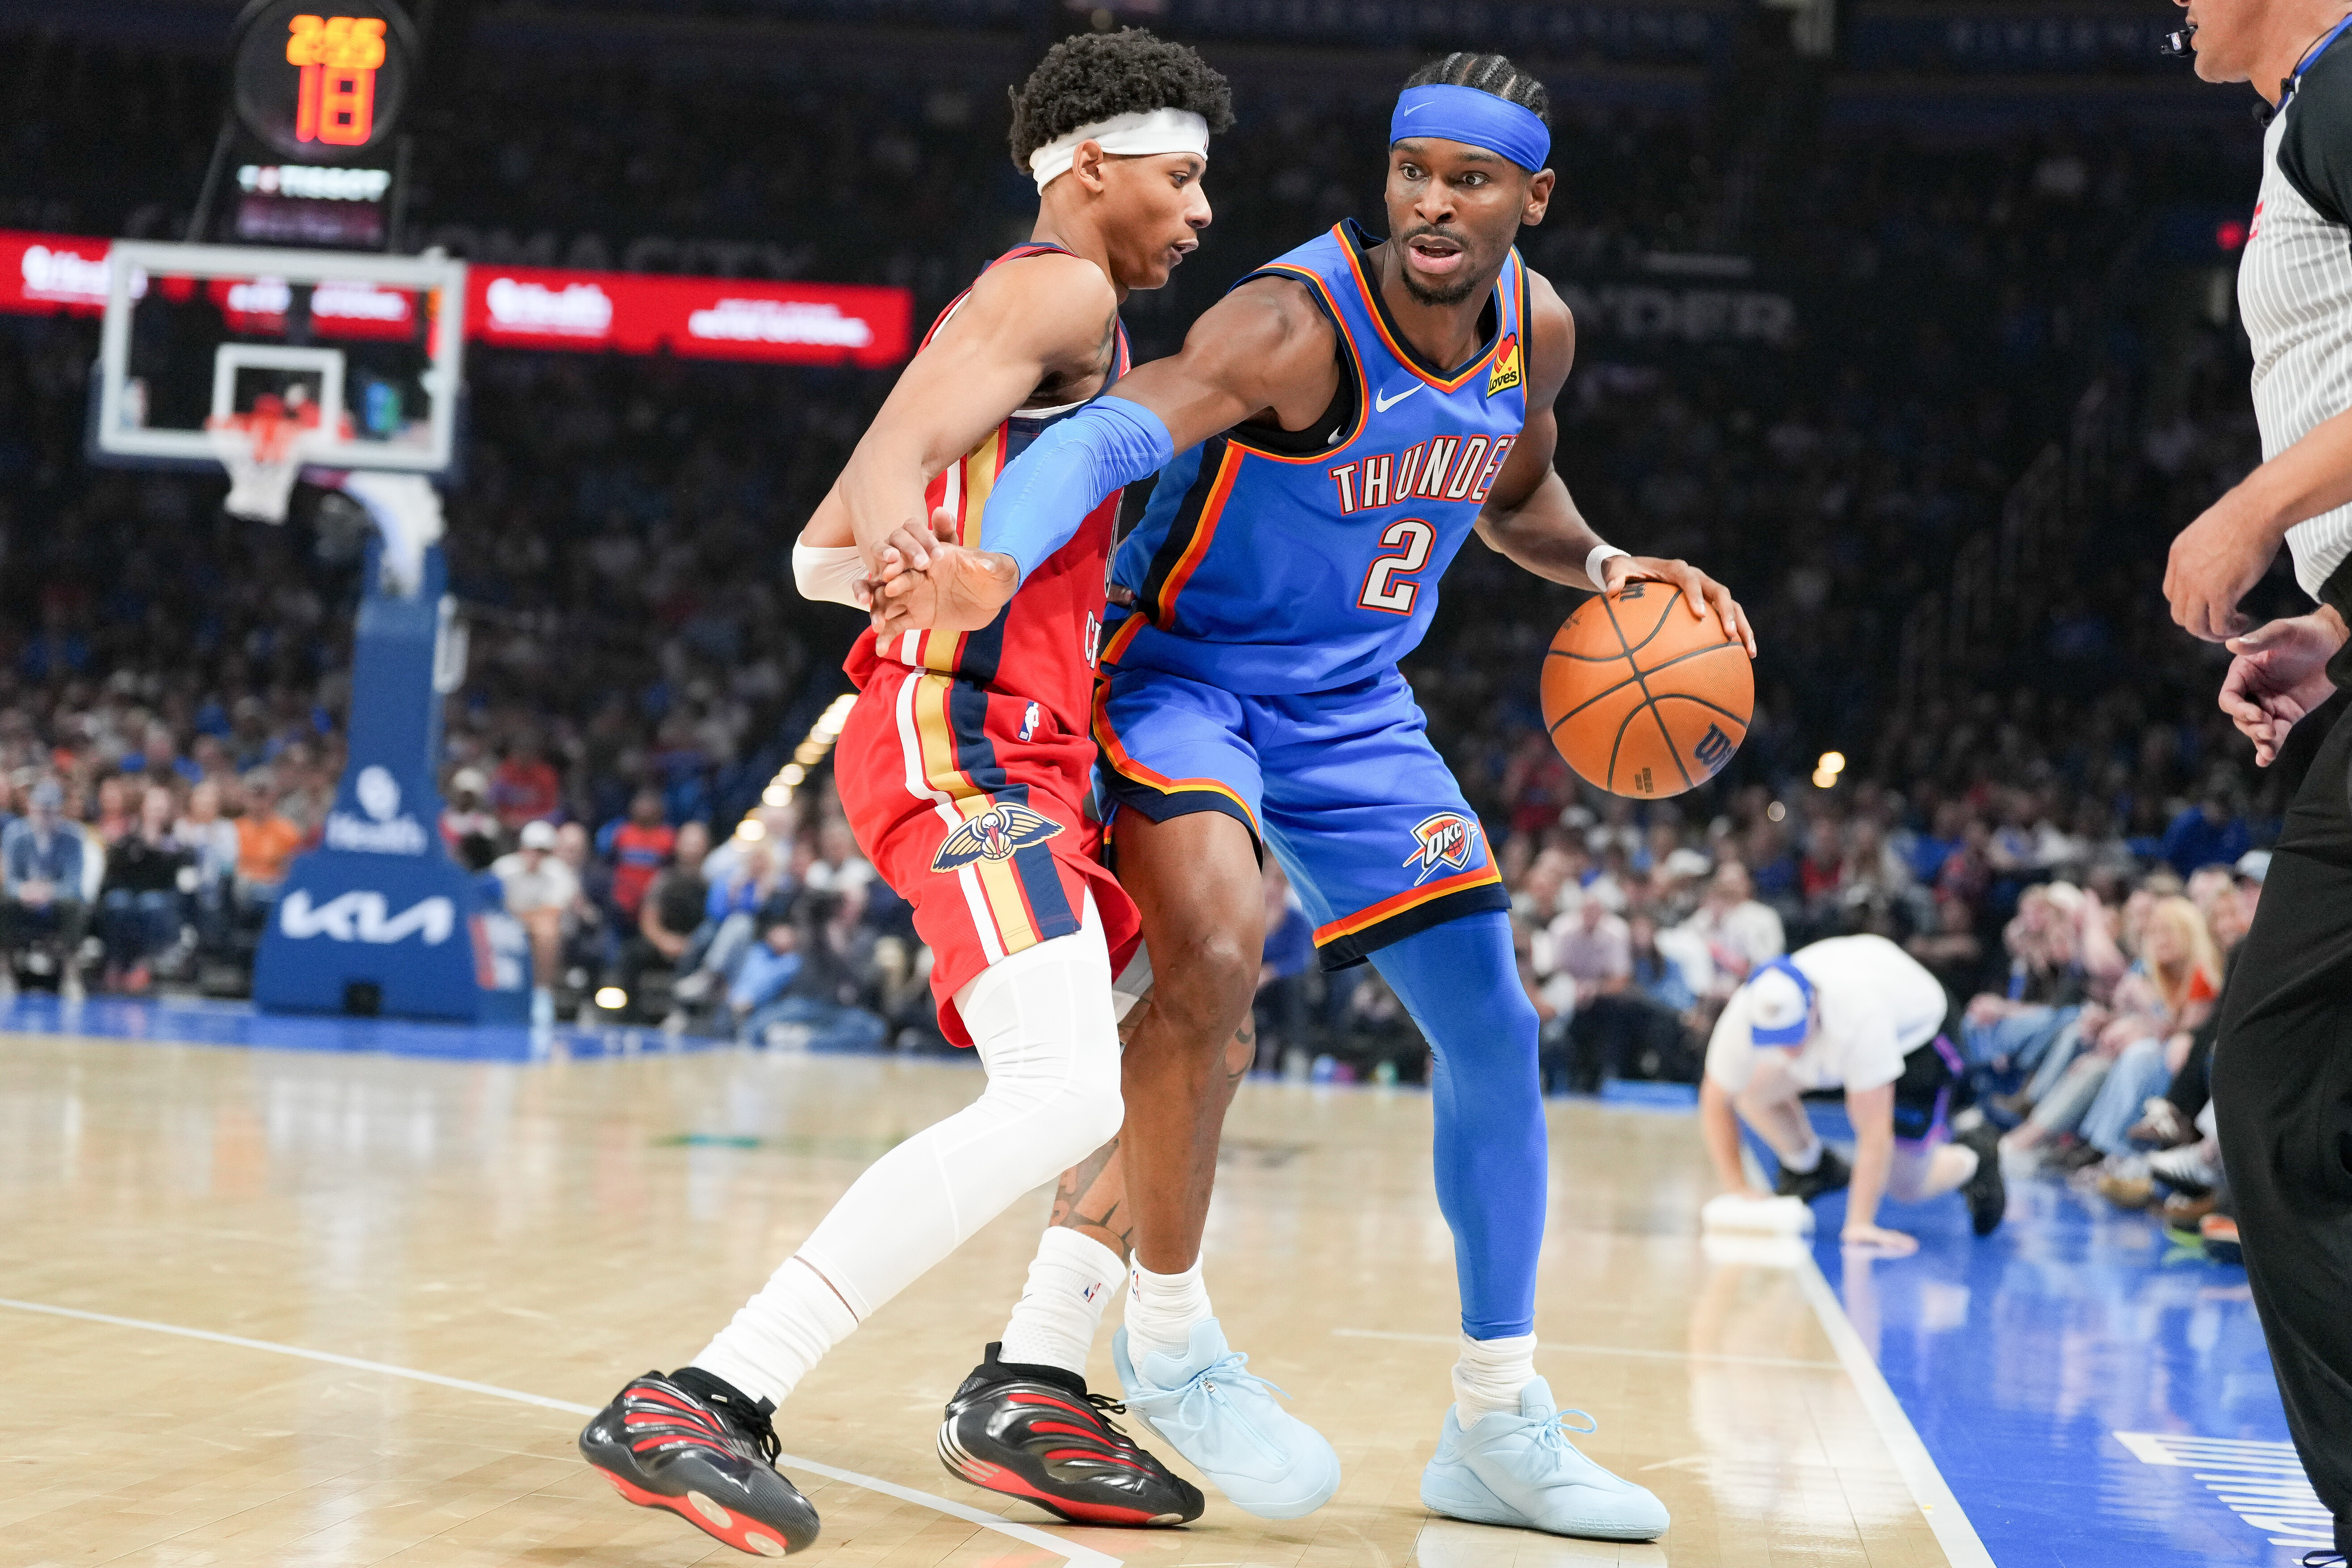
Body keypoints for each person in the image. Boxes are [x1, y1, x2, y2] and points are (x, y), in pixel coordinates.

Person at [878, 51, 1754, 1543]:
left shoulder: (1532, 331)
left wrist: (1606, 562)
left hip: (1351, 705)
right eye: (1412, 171)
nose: (1431, 203)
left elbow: (1514, 497)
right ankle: (1167, 1337)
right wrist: (996, 559)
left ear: (1531, 199)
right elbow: (1108, 432)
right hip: (1181, 679)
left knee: (1492, 1026)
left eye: (1468, 181)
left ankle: (1495, 1421)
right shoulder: (1290, 324)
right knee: (1216, 954)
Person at [577, 31, 1230, 1553]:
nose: (1202, 211)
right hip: (966, 738)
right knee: (1061, 1086)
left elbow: (817, 551)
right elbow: (885, 455)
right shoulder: (1059, 292)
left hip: (1018, 742)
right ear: (1090, 168)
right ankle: (709, 1393)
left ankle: (1035, 1382)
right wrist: (921, 565)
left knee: (1173, 1018)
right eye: (1182, 176)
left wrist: (904, 561)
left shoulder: (1025, 316)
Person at [2162, 4, 2352, 1550]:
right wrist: (2335, 623)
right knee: (2289, 1100)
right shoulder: (2314, 105)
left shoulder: (2346, 82)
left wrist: (2252, 508)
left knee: (2279, 1093)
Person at [1699, 934, 2007, 1256]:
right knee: (1749, 1092)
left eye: (1792, 1035)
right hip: (1847, 1018)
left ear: (1812, 1006)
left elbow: (1874, 1130)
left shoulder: (1859, 1017)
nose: (1787, 1049)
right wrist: (1738, 1188)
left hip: (1918, 1040)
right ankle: (1811, 1168)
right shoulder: (1743, 1014)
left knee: (1904, 1185)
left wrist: (1860, 1223)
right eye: (1775, 1038)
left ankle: (1976, 1158)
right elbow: (1716, 1100)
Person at [0, 779, 90, 1001]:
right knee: (4, 902)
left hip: (56, 902)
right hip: (23, 898)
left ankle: (71, 975)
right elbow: (9, 879)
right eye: (40, 811)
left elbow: (74, 882)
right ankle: (5, 972)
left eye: (51, 812)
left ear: (60, 812)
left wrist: (50, 892)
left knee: (75, 906)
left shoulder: (73, 837)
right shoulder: (15, 835)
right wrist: (23, 890)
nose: (45, 817)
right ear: (31, 809)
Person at [492, 819, 578, 1028]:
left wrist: (520, 918)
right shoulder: (502, 869)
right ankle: (491, 995)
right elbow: (490, 906)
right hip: (505, 925)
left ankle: (542, 994)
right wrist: (519, 919)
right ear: (523, 848)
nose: (536, 856)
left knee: (547, 931)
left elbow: (552, 913)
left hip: (539, 925)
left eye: (543, 851)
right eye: (533, 849)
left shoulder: (559, 872)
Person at [601, 788, 675, 921]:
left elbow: (670, 871)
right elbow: (610, 863)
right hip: (622, 902)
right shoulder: (622, 833)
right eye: (641, 805)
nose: (645, 809)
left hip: (652, 903)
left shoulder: (667, 837)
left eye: (649, 805)